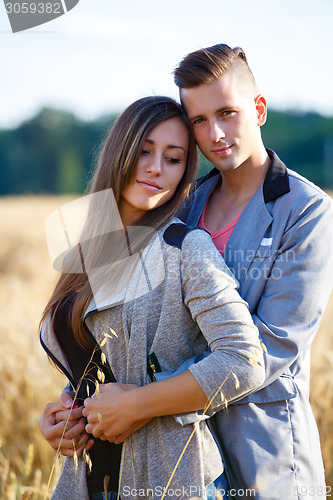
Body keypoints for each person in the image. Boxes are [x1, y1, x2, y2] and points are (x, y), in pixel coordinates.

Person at [39, 95, 265, 500]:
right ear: (118, 151)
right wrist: (63, 418)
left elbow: (244, 360)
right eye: (144, 151)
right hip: (88, 481)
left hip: (171, 478)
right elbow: (99, 364)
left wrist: (139, 404)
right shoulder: (86, 250)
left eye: (174, 159)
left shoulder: (185, 248)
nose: (156, 168)